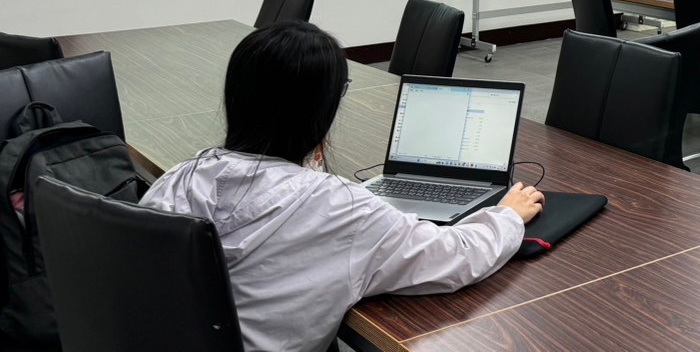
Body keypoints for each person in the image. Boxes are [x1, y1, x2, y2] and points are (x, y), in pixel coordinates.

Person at [140, 21, 544, 352]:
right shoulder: (341, 207)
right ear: (324, 107)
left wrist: (302, 165)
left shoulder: (179, 179)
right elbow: (456, 256)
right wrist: (508, 216)